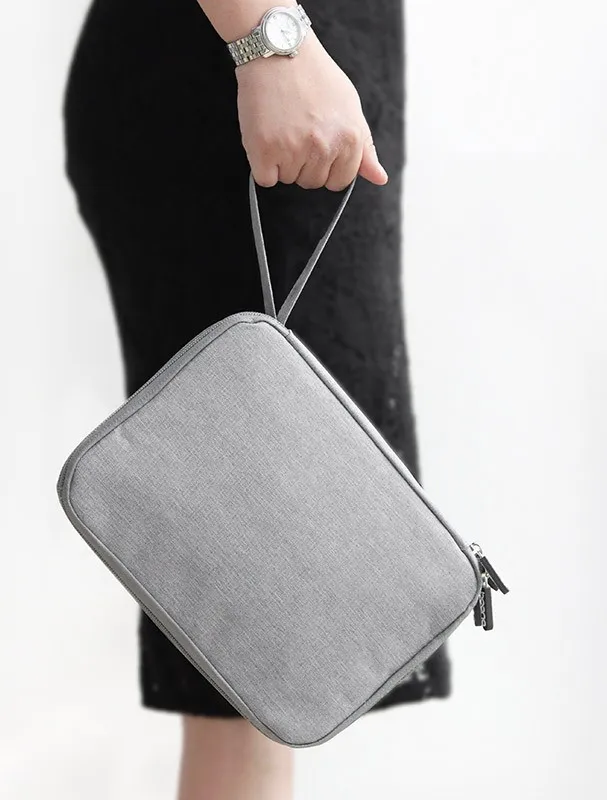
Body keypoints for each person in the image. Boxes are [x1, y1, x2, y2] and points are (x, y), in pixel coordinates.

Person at [63, 0, 451, 797]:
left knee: (266, 662)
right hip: (253, 87)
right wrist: (269, 40)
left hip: (297, 86)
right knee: (255, 658)